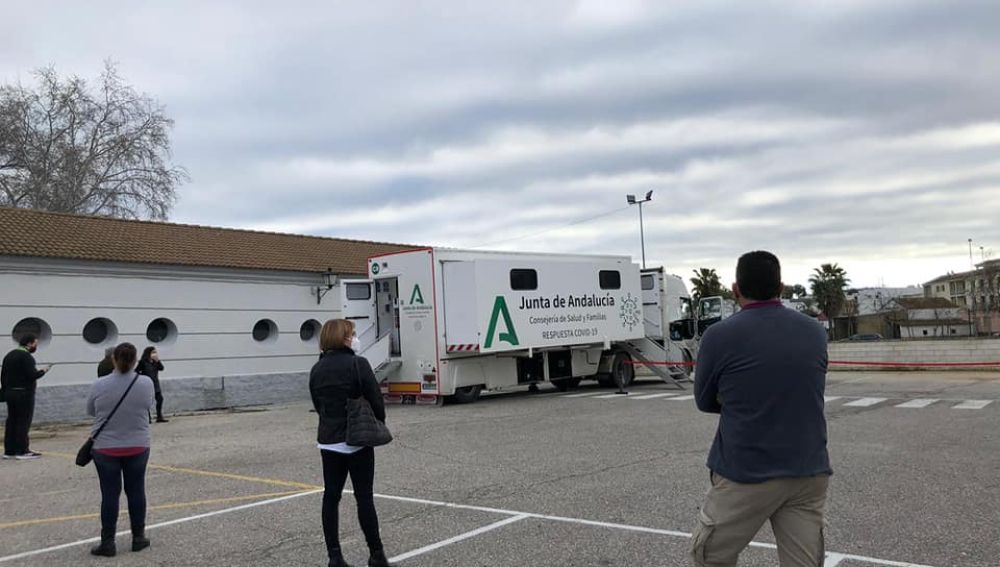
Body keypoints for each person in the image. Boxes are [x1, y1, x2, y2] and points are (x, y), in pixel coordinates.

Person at [691, 251, 832, 567]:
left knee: (710, 555)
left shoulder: (719, 336)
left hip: (746, 470)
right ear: (781, 288)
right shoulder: (814, 332)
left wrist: (741, 402)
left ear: (735, 289)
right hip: (808, 469)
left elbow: (704, 400)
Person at [310, 319, 396, 567]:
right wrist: (378, 422)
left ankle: (335, 556)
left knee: (331, 497)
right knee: (364, 497)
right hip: (357, 439)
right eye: (352, 334)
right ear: (343, 338)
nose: (355, 338)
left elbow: (317, 403)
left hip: (328, 441)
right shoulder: (358, 364)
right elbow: (376, 400)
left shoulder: (317, 368)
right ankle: (376, 554)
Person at [86, 342, 155, 557]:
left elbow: (91, 411)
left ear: (113, 360)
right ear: (135, 361)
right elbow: (148, 406)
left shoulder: (99, 384)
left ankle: (108, 542)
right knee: (136, 491)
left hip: (105, 447)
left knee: (109, 494)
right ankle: (138, 537)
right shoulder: (146, 382)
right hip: (137, 444)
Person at [2, 334, 50, 460]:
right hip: (24, 394)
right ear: (29, 344)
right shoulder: (26, 357)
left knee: (12, 421)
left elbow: (3, 375)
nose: (35, 346)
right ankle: (22, 451)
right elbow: (32, 375)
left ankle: (9, 451)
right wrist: (43, 371)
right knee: (23, 422)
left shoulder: (9, 355)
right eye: (35, 344)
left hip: (10, 393)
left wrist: (5, 391)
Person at [137, 347, 167, 423]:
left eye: (155, 352)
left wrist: (158, 361)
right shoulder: (143, 362)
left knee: (160, 399)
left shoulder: (155, 362)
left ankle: (159, 417)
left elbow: (161, 368)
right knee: (147, 401)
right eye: (153, 352)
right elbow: (136, 371)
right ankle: (148, 418)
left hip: (155, 384)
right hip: (146, 384)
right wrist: (142, 377)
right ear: (148, 353)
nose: (154, 354)